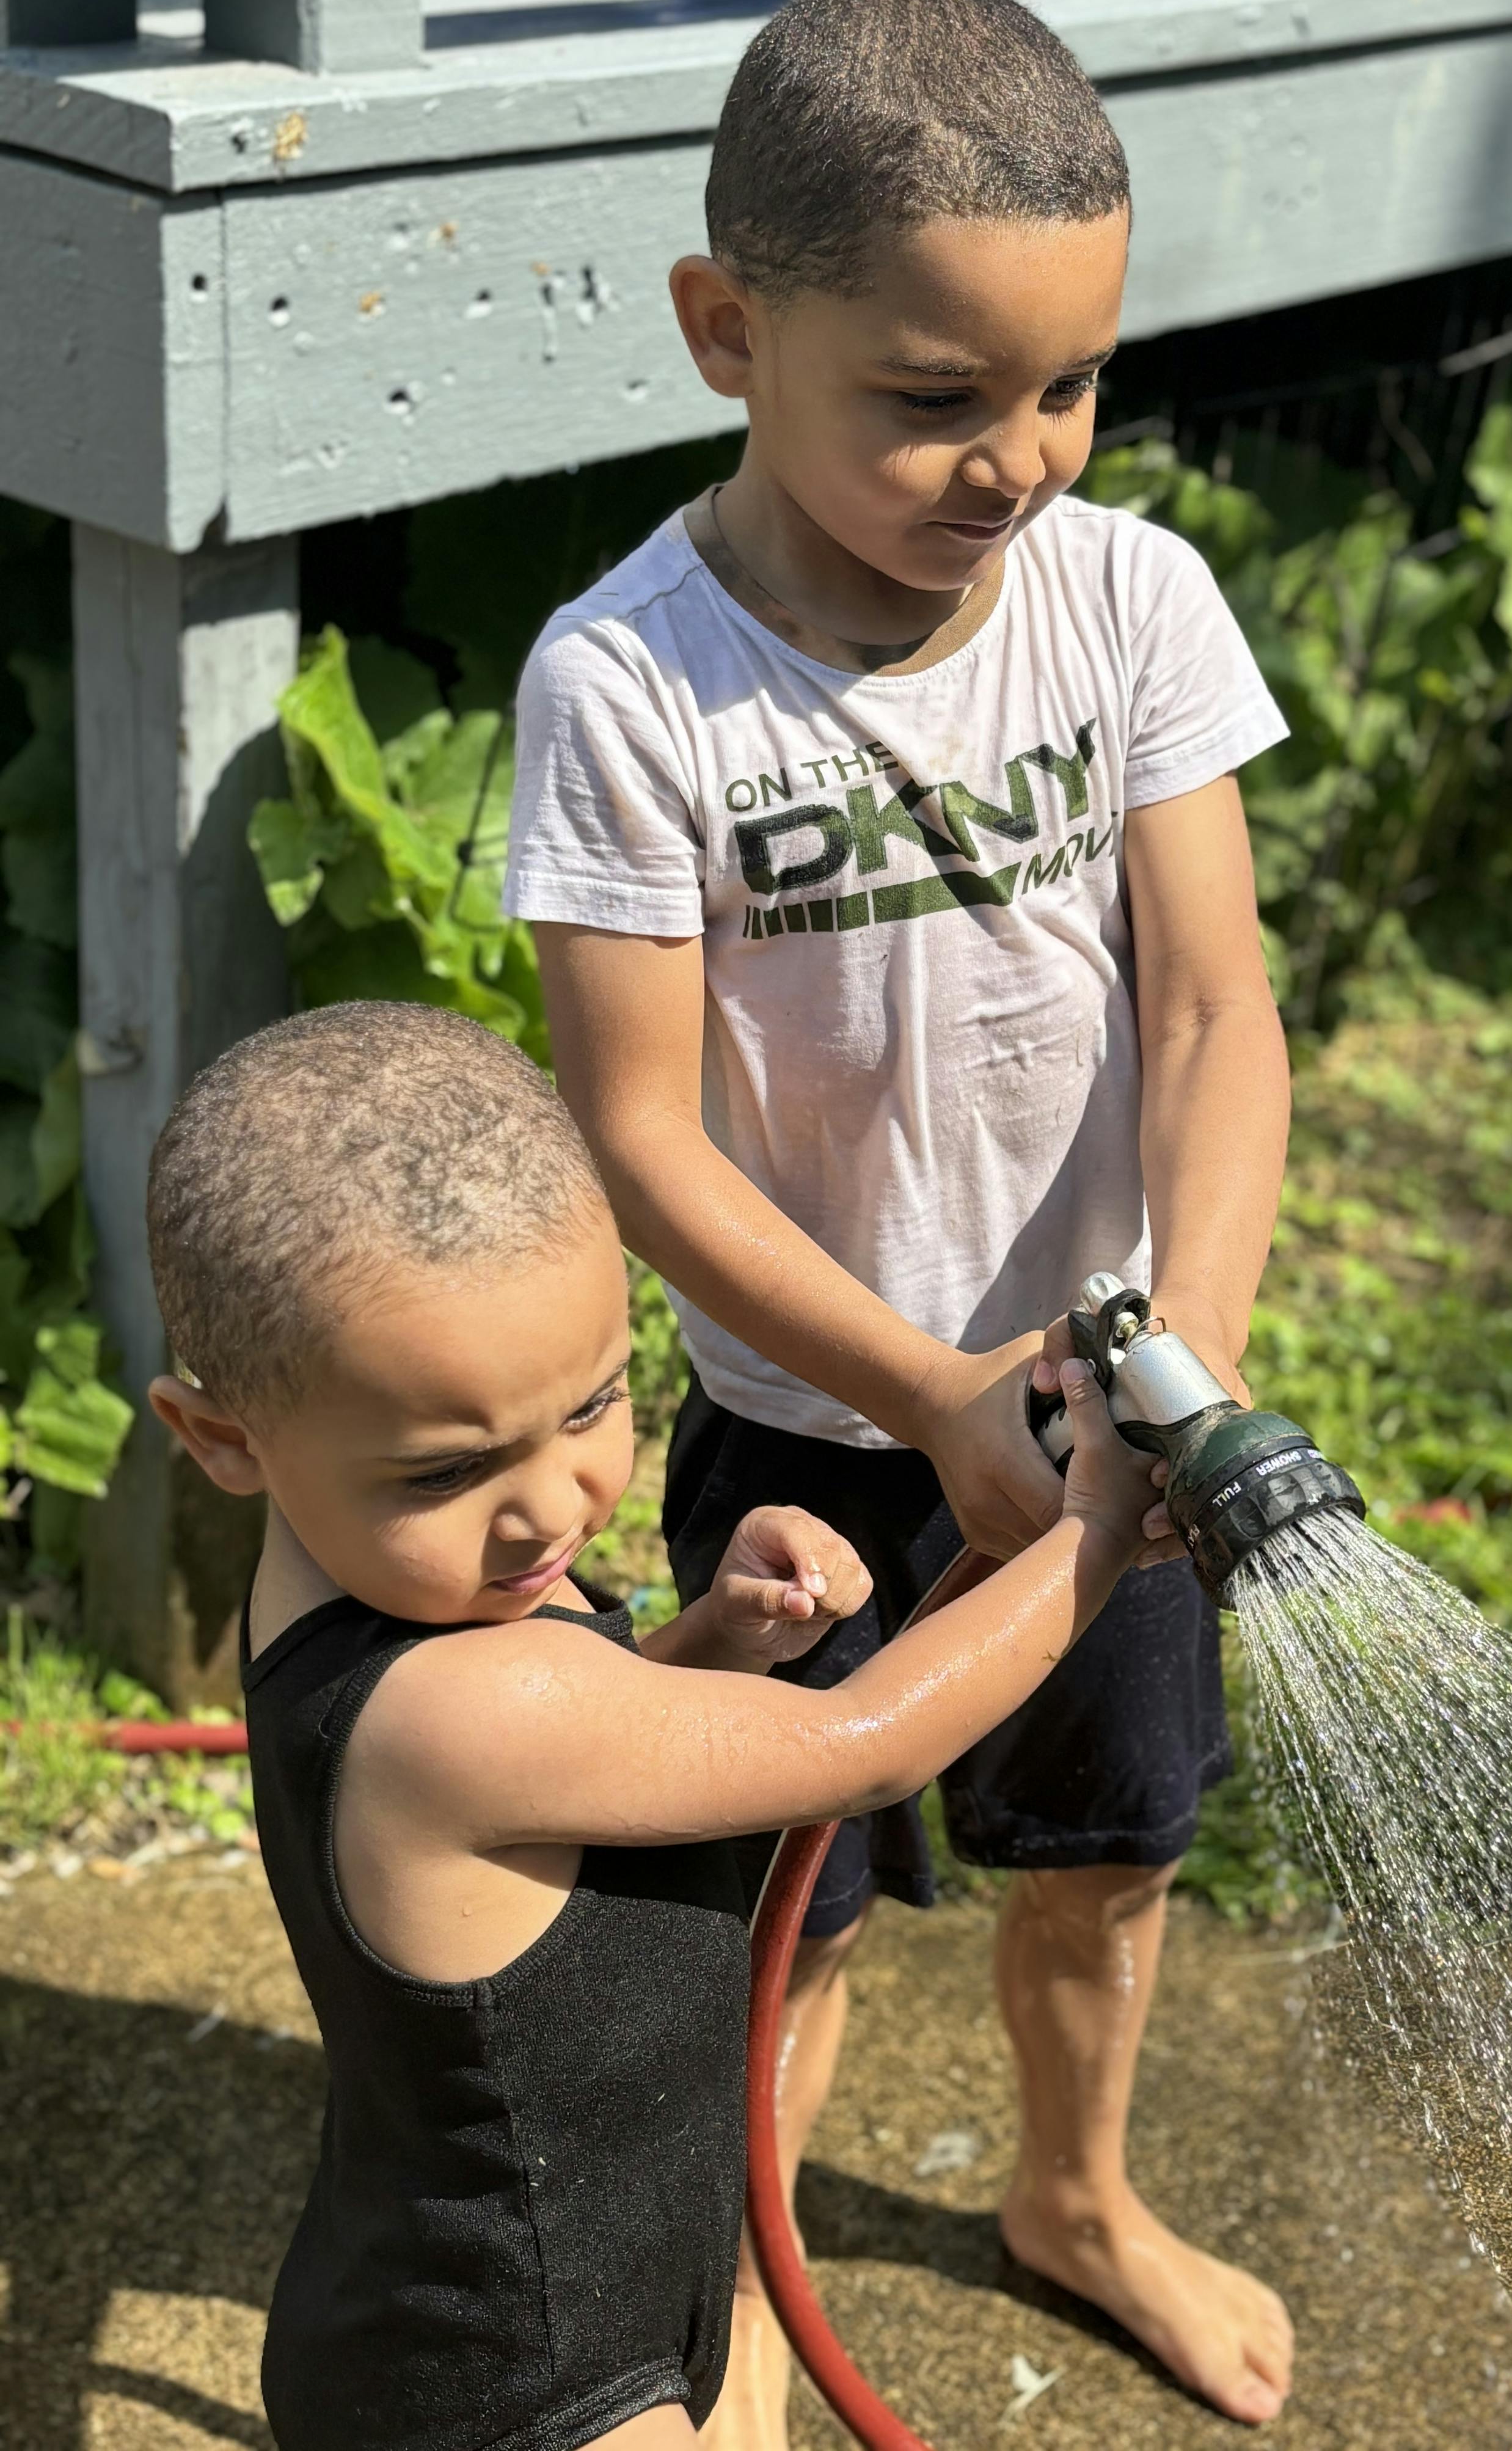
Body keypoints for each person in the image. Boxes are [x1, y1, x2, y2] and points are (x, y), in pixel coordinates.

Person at [506, 0, 1295, 2442]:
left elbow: (1218, 1012)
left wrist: (1180, 1367)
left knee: (1107, 1849)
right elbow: (640, 1138)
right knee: (791, 1904)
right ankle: (749, 2287)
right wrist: (933, 1394)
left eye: (1072, 385)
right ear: (728, 331)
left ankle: (1078, 2191)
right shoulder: (631, 686)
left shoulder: (1128, 599)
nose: (1018, 461)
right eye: (939, 396)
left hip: (1107, 1401)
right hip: (808, 1428)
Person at [143, 1000, 1164, 2451]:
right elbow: (868, 1745)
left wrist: (709, 1644)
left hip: (485, 2299)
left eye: (595, 1404)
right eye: (447, 1470)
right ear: (220, 1438)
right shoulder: (454, 1706)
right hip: (527, 2382)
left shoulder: (385, 1589)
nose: (550, 1506)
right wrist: (1095, 1531)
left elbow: (569, 1750)